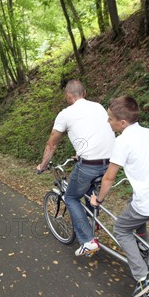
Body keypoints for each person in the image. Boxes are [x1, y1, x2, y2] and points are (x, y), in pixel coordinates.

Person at [90, 96, 149, 297]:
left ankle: (143, 277)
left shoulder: (122, 141)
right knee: (134, 209)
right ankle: (143, 248)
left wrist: (99, 199)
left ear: (122, 123)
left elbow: (109, 177)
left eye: (110, 119)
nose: (108, 122)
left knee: (121, 229)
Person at [36, 80, 115, 257]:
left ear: (68, 96)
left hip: (90, 165)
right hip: (110, 163)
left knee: (71, 197)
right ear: (84, 93)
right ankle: (92, 221)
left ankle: (88, 240)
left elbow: (51, 144)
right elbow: (98, 133)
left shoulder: (65, 114)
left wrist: (42, 166)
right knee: (87, 188)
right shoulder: (99, 107)